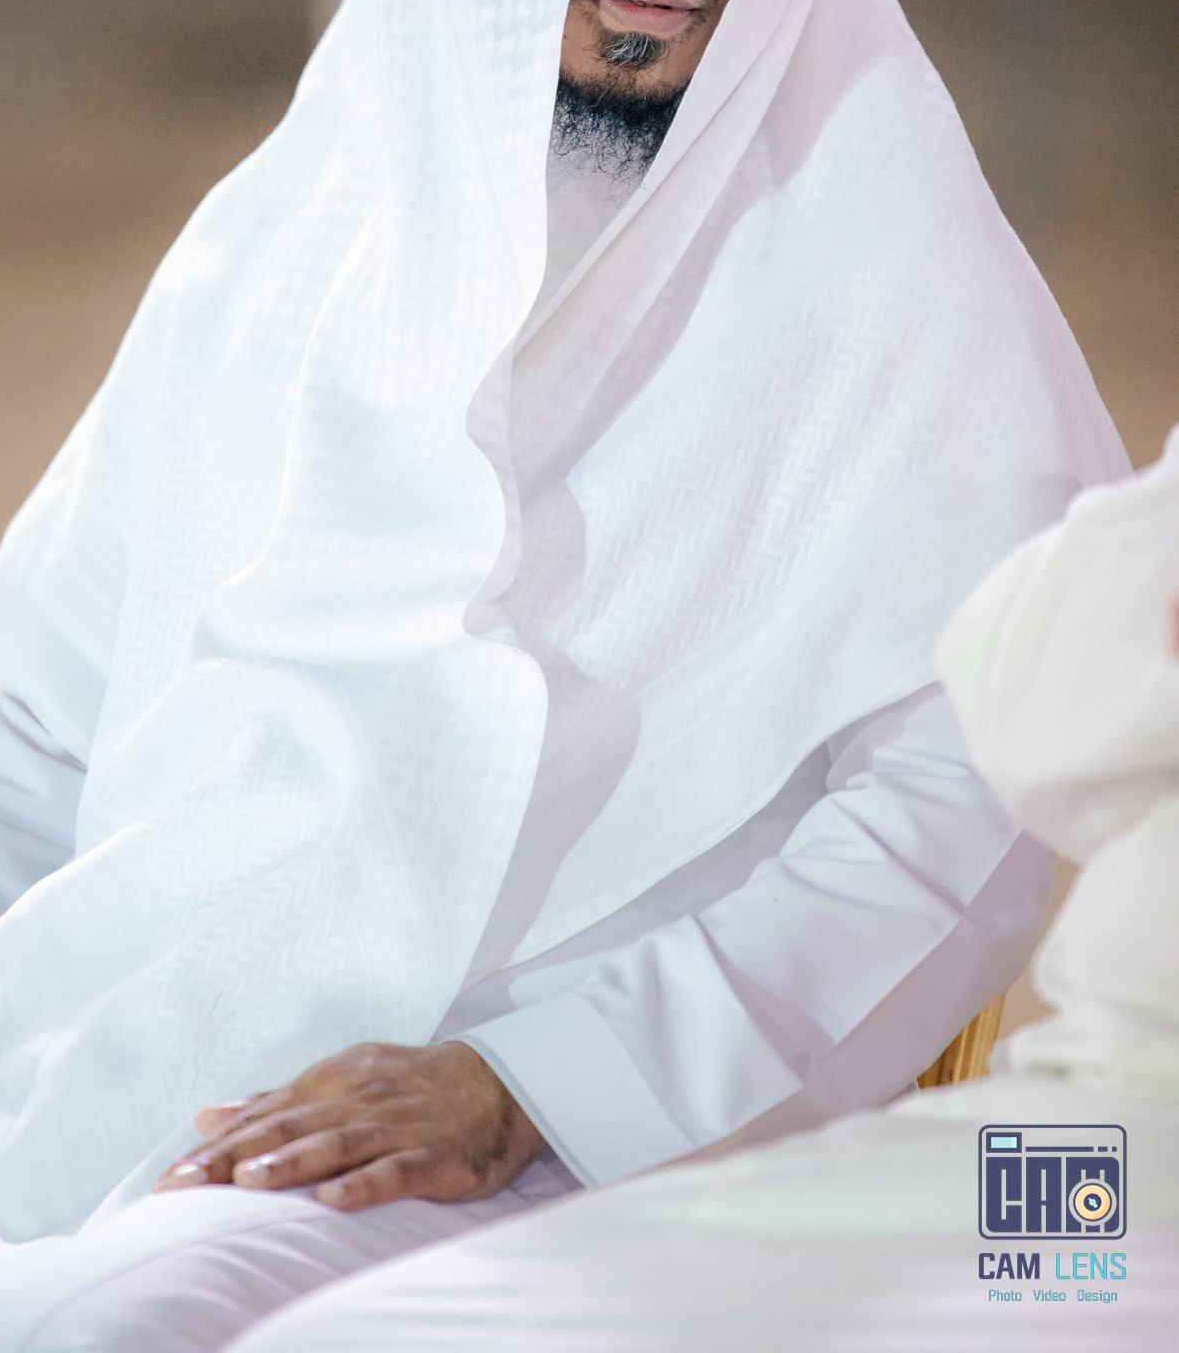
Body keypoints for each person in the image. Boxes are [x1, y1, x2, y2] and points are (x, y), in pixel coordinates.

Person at [0, 0, 1124, 1350]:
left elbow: (963, 811)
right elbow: (18, 759)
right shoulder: (287, 241)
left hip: (545, 1148)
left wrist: (535, 1083)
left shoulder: (891, 266)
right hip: (109, 1062)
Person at [231, 430, 1179, 1352]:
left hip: (1127, 1124)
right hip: (1078, 1121)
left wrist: (539, 1083)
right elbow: (1035, 693)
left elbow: (1006, 741)